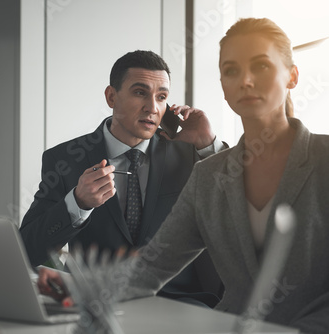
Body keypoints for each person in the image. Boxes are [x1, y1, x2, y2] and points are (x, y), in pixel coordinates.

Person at [38, 18, 329, 334]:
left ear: (292, 76)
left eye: (260, 66)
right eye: (231, 70)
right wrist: (79, 289)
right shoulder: (209, 175)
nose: (245, 80)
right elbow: (152, 266)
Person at [21, 50, 226, 306]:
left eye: (161, 97)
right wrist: (76, 204)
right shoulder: (64, 159)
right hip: (97, 302)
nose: (152, 107)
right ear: (111, 96)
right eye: (140, 92)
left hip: (180, 301)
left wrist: (209, 144)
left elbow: (237, 200)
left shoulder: (192, 154)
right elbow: (27, 249)